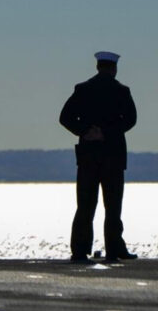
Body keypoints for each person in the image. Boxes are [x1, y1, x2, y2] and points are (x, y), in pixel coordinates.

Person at [58, 51, 138, 263]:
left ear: (97, 67)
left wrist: (85, 131)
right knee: (113, 205)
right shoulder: (121, 91)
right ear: (114, 68)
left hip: (88, 156)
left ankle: (79, 249)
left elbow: (65, 117)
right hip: (113, 155)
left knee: (85, 204)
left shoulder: (83, 89)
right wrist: (108, 132)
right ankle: (114, 249)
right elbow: (130, 119)